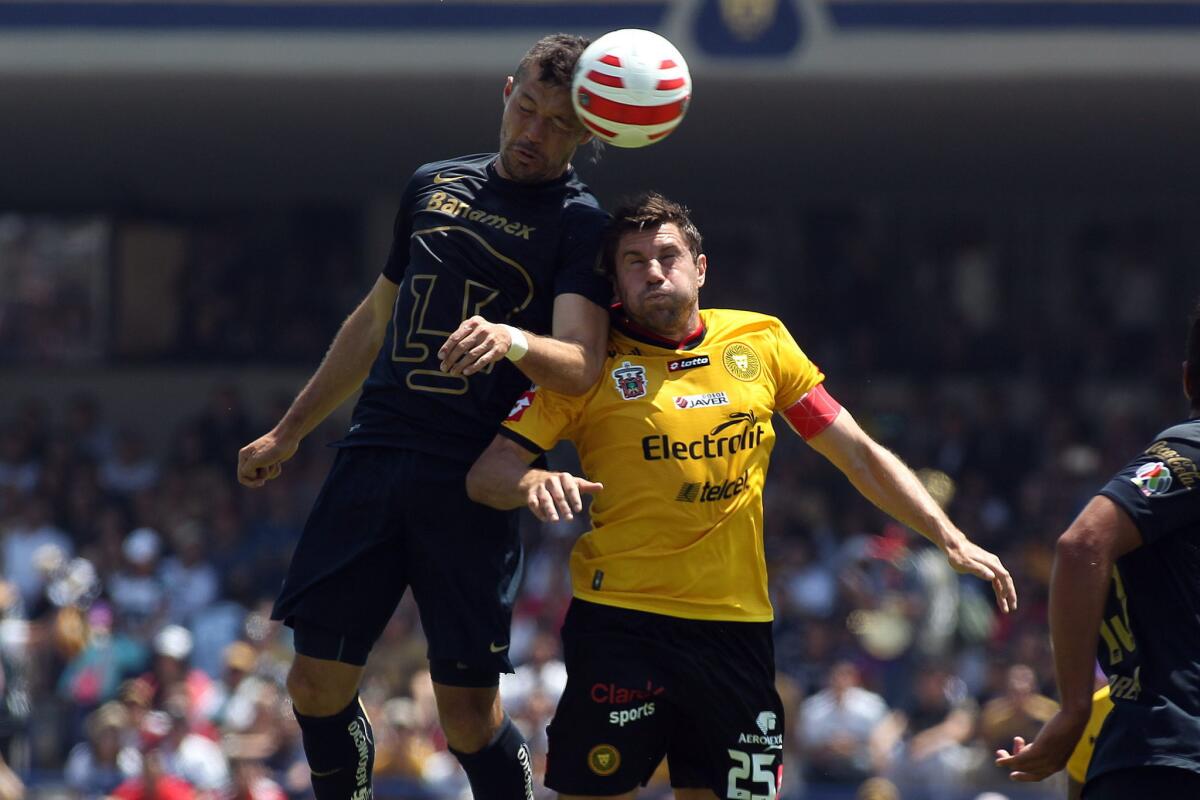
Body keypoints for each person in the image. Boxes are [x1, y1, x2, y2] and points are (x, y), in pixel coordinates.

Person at [466, 192, 1017, 799]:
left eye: (667, 255)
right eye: (634, 260)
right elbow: (487, 473)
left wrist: (948, 535)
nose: (654, 269)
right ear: (615, 281)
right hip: (623, 625)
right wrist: (534, 480)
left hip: (737, 631)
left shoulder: (761, 342)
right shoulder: (585, 368)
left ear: (700, 268)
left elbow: (857, 451)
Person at [235, 34, 612, 800]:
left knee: (469, 719)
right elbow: (373, 320)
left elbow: (582, 361)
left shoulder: (581, 224)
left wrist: (512, 339)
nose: (533, 133)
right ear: (506, 93)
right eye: (526, 109)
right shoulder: (432, 182)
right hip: (373, 455)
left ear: (588, 134)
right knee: (313, 686)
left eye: (557, 124)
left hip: (472, 477)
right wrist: (290, 429)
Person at [995, 303, 1200, 797]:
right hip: (1170, 760)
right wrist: (1073, 709)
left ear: (1188, 380)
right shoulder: (1192, 449)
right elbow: (1083, 542)